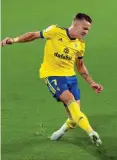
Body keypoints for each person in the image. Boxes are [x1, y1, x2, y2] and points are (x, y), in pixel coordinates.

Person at [1, 13, 103, 146]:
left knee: (73, 118)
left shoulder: (80, 44)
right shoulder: (55, 31)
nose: (86, 32)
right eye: (85, 28)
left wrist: (91, 82)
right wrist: (14, 40)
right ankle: (91, 132)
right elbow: (33, 35)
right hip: (52, 75)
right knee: (70, 101)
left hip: (71, 77)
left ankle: (62, 130)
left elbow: (80, 66)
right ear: (75, 25)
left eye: (88, 29)